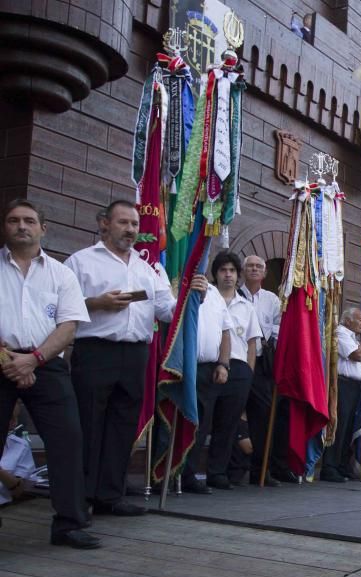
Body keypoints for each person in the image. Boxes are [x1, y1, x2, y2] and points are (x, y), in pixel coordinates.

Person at [64, 201, 196, 515]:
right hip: (96, 351)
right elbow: (60, 308)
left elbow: (166, 309)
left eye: (135, 224)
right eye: (123, 223)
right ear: (104, 224)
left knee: (123, 426)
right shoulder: (80, 262)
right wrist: (96, 303)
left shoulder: (146, 267)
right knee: (89, 425)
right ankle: (80, 499)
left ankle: (110, 496)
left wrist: (191, 295)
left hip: (136, 354)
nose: (131, 230)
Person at [0, 199, 99, 548]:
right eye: (13, 220)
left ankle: (69, 524)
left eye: (29, 220)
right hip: (1, 359)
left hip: (48, 363)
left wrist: (34, 360)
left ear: (43, 228)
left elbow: (68, 326)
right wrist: (11, 360)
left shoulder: (61, 274)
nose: (21, 226)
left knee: (68, 441)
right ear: (5, 227)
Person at [195, 251, 260, 490]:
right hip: (212, 365)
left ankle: (217, 472)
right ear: (216, 274)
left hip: (239, 368)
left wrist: (249, 376)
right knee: (203, 419)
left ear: (238, 275)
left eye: (232, 271)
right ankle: (190, 470)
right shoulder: (207, 297)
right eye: (223, 270)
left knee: (228, 424)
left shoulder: (246, 306)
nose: (228, 275)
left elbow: (252, 344)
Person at [239, 255, 293, 485]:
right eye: (250, 266)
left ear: (264, 273)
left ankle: (260, 470)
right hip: (236, 360)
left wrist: (271, 338)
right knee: (231, 413)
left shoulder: (271, 299)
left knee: (262, 417)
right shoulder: (235, 295)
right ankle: (227, 470)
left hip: (261, 363)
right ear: (243, 270)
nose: (254, 269)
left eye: (259, 267)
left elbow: (280, 326)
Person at [321, 308, 361, 483]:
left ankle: (342, 464)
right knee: (340, 425)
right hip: (342, 385)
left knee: (349, 427)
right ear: (347, 320)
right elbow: (357, 355)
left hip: (354, 386)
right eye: (359, 320)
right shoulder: (341, 332)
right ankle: (329, 466)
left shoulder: (353, 336)